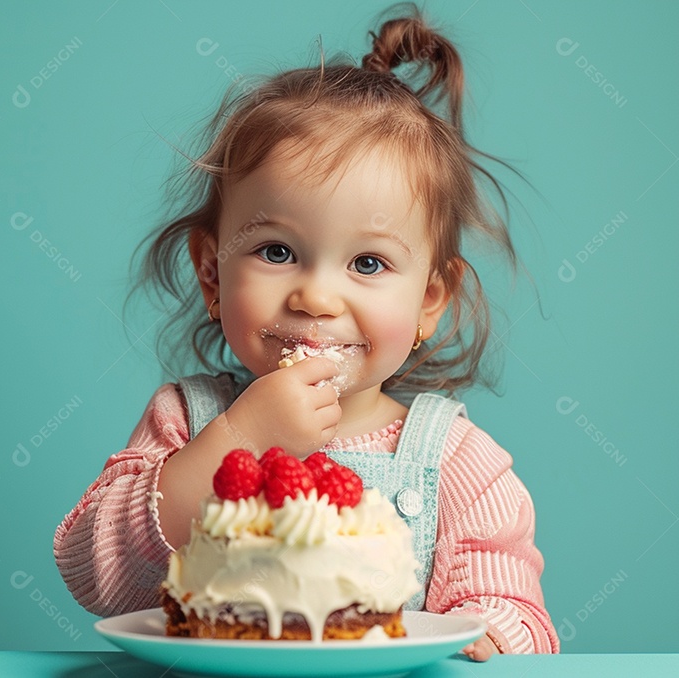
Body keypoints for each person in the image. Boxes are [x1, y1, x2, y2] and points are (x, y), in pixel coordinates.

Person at [54, 3, 559, 661]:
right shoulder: (186, 419)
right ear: (212, 274)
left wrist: (492, 636)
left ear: (430, 300)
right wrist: (236, 439)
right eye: (276, 251)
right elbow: (98, 576)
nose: (317, 296)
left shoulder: (455, 462)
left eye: (368, 263)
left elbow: (516, 614)